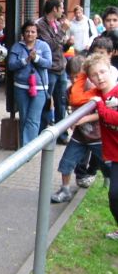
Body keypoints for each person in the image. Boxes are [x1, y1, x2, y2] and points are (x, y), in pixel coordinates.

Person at [70, 54, 118, 240]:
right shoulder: (97, 94)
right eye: (94, 75)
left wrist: (100, 107)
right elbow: (75, 98)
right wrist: (83, 73)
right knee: (114, 197)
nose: (100, 77)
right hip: (114, 155)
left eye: (102, 72)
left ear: (110, 70)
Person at [50, 55, 109, 203]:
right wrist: (72, 118)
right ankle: (65, 189)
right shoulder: (70, 91)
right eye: (72, 77)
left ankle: (111, 187)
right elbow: (70, 108)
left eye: (78, 77)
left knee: (108, 166)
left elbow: (103, 112)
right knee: (66, 163)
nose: (75, 81)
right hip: (80, 137)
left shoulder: (95, 90)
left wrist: (83, 118)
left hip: (97, 137)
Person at [8, 20, 52, 146]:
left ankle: (28, 149)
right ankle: (24, 146)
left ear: (37, 33)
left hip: (39, 88)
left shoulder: (43, 46)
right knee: (24, 117)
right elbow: (11, 65)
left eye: (33, 31)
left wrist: (36, 59)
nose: (30, 34)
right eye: (27, 31)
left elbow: (49, 63)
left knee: (33, 119)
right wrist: (25, 60)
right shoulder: (17, 46)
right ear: (23, 33)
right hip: (21, 87)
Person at [35, 0, 73, 144]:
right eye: (61, 7)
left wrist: (67, 44)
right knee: (45, 101)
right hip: (49, 70)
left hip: (61, 68)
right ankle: (43, 135)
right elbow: (48, 47)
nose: (63, 11)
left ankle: (61, 135)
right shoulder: (40, 25)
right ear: (54, 8)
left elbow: (59, 47)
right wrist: (63, 32)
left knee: (61, 102)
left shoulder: (57, 24)